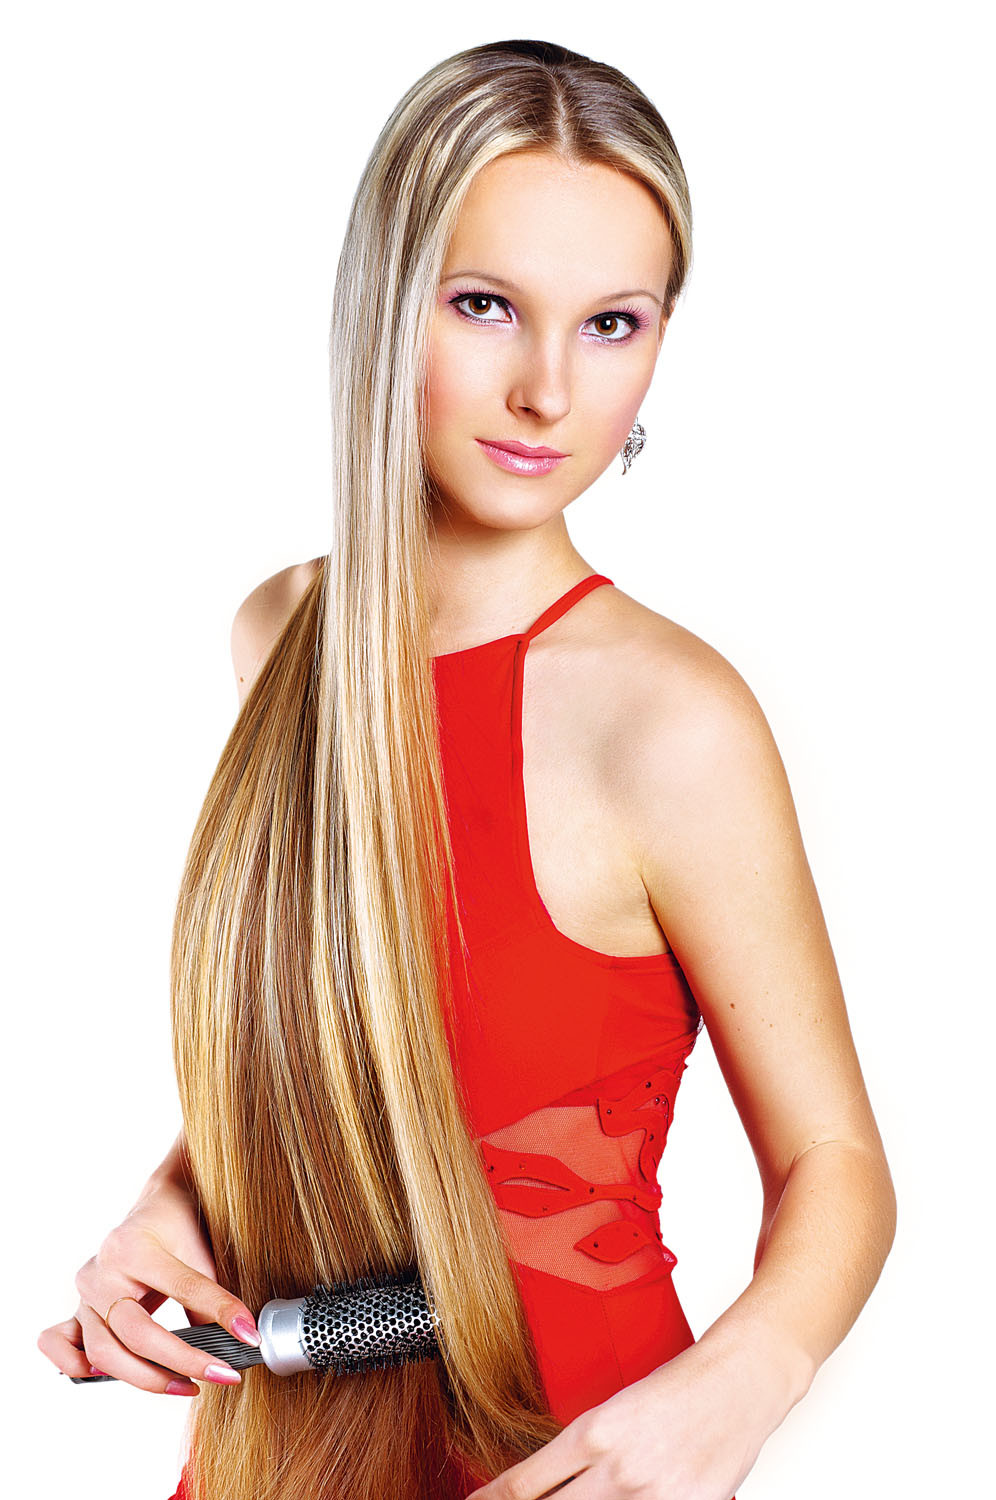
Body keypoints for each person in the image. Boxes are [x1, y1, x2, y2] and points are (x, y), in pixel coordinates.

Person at [37, 38, 897, 1500]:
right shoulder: (285, 636)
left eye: (612, 324)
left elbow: (837, 1161)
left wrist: (740, 1386)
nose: (548, 390)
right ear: (385, 304)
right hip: (284, 1442)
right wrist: (173, 1206)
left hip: (566, 1448)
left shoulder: (669, 720)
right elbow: (359, 1043)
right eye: (487, 305)